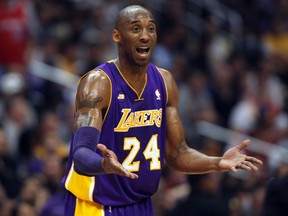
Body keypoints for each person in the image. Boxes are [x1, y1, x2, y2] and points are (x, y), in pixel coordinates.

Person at [63, 5, 263, 216]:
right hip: (96, 205)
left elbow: (177, 153)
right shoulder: (98, 84)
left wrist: (217, 162)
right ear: (117, 36)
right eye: (135, 29)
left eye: (150, 29)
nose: (145, 36)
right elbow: (80, 154)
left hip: (141, 204)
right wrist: (104, 164)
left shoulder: (164, 82)